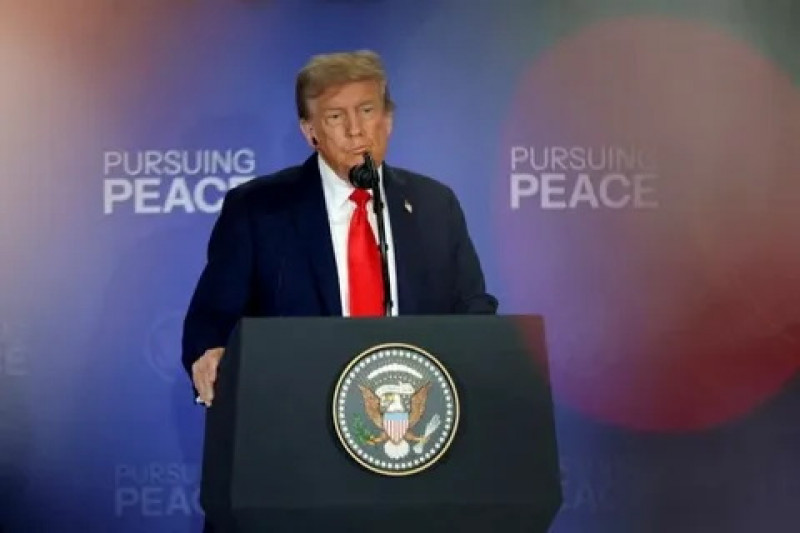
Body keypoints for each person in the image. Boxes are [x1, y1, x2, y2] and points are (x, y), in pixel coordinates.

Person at [182, 49, 497, 408]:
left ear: (388, 119)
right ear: (310, 132)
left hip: (413, 415)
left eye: (367, 110)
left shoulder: (434, 205)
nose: (355, 129)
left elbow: (472, 308)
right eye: (335, 116)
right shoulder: (258, 210)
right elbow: (211, 321)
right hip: (297, 412)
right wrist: (210, 354)